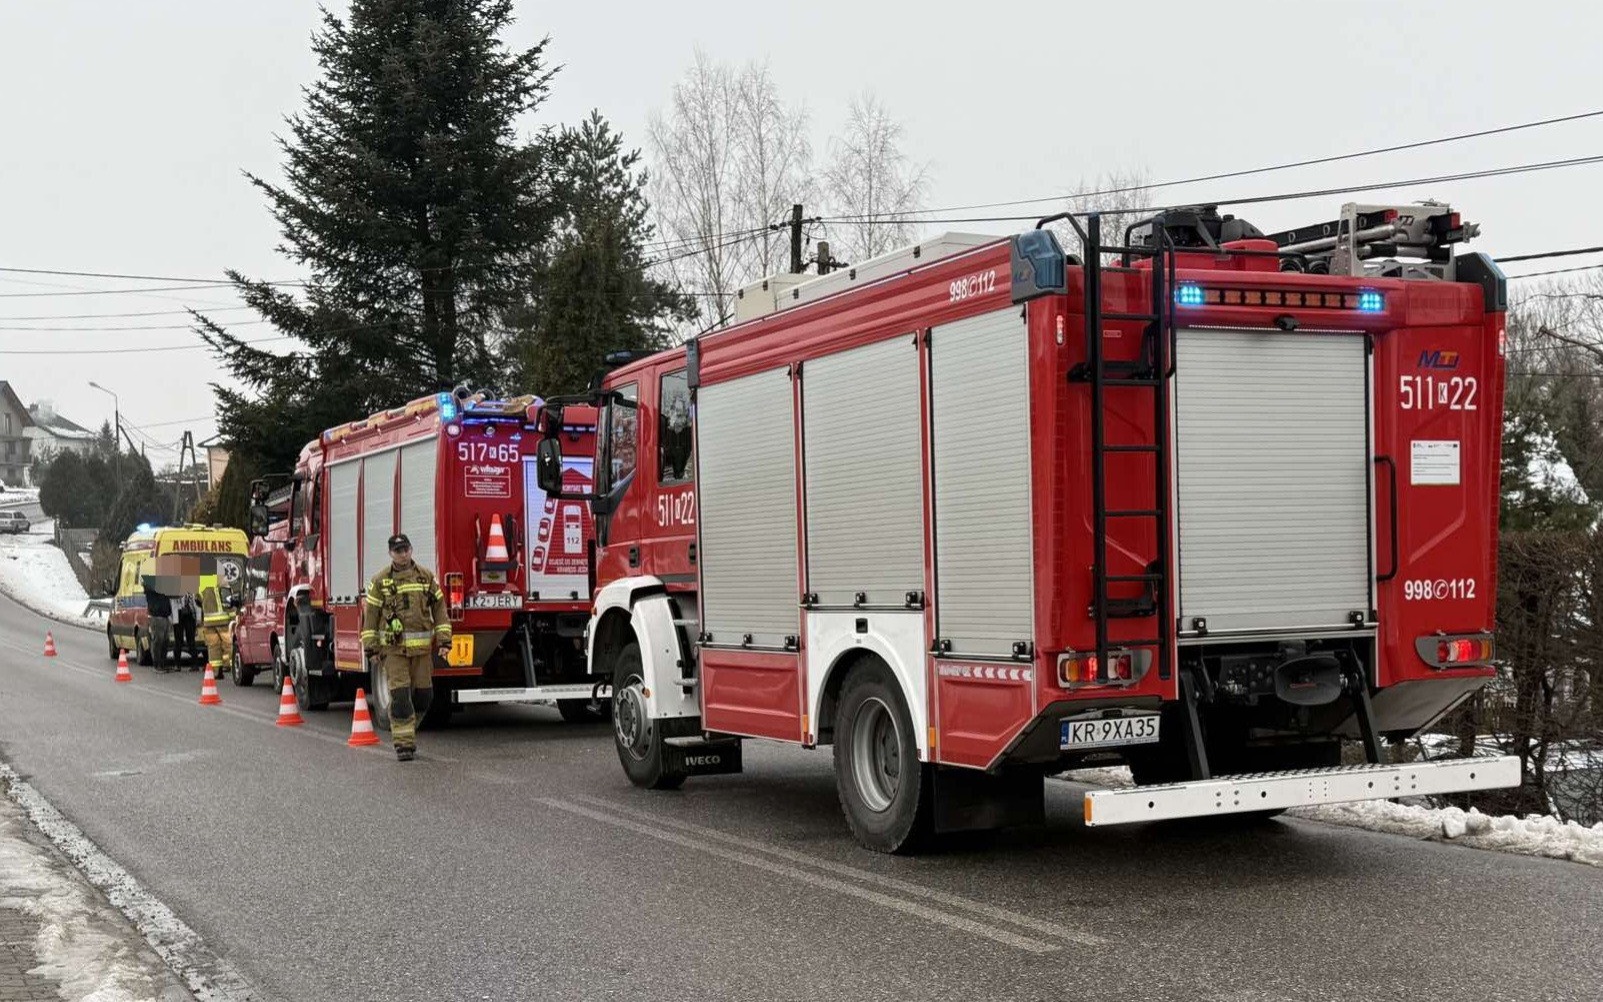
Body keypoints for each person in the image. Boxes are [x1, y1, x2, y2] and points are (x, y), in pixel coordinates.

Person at [360, 533, 450, 761]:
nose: (403, 554)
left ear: (411, 550)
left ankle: (409, 728)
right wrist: (370, 648)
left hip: (421, 652)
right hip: (394, 651)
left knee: (424, 696)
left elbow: (439, 608)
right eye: (398, 551)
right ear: (391, 553)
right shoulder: (380, 581)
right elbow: (371, 617)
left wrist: (444, 640)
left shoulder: (426, 577)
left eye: (406, 549)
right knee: (400, 696)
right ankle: (404, 745)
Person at [198, 569, 236, 675]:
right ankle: (229, 665)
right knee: (228, 644)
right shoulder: (220, 579)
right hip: (223, 620)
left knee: (213, 646)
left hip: (208, 621)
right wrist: (233, 617)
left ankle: (216, 671)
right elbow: (227, 599)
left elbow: (198, 600)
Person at [143, 583, 174, 672]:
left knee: (165, 641)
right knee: (158, 641)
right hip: (156, 616)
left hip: (165, 616)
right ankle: (157, 665)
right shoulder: (150, 584)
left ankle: (163, 663)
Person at [174, 593, 199, 667]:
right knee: (178, 640)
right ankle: (177, 664)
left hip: (190, 615)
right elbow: (172, 604)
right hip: (178, 614)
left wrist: (198, 619)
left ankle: (194, 664)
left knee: (191, 640)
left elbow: (196, 604)